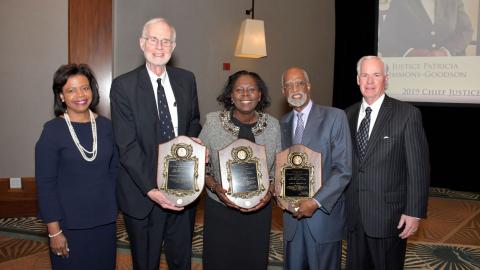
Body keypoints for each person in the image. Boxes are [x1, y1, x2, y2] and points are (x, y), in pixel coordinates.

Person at [109, 17, 201, 270]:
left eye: (166, 41)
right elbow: (126, 145)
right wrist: (152, 189)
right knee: (146, 263)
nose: (159, 46)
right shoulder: (123, 86)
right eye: (153, 39)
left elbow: (194, 120)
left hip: (183, 189)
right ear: (142, 43)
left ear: (173, 46)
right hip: (143, 194)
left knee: (181, 260)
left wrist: (194, 143)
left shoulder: (187, 79)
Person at [345, 56, 430, 269]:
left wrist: (414, 212)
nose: (370, 81)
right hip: (354, 215)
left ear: (386, 79)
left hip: (389, 217)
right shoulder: (347, 114)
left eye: (376, 75)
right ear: (357, 79)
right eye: (365, 75)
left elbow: (418, 169)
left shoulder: (407, 114)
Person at [35, 64, 118, 269]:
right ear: (61, 96)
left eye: (85, 87)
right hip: (68, 225)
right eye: (70, 90)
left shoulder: (107, 127)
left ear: (92, 90)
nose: (80, 94)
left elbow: (115, 173)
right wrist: (54, 231)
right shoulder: (52, 131)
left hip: (105, 222)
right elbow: (45, 186)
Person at [199, 70, 281, 270]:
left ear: (259, 94)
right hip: (220, 209)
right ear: (230, 95)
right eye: (239, 90)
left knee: (252, 261)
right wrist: (215, 186)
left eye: (251, 89)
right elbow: (199, 164)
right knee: (219, 262)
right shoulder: (212, 123)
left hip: (258, 213)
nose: (246, 94)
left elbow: (278, 170)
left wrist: (269, 193)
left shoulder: (273, 126)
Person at [280, 67, 352, 270]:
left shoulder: (335, 117)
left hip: (323, 218)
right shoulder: (281, 124)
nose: (294, 89)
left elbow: (343, 169)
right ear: (283, 91)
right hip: (291, 218)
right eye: (289, 85)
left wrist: (316, 201)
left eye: (299, 83)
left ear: (309, 86)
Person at [378, 0, 473, 57]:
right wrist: (409, 52)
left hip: (451, 67)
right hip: (412, 69)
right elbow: (387, 38)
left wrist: (446, 51)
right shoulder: (400, 2)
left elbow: (466, 30)